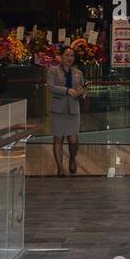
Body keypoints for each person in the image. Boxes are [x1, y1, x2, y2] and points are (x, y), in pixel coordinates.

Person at [46, 46, 87, 176]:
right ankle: (59, 167)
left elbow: (82, 89)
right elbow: (51, 87)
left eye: (72, 56)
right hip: (58, 109)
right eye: (67, 55)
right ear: (61, 56)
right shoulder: (53, 70)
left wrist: (82, 92)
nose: (70, 58)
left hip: (73, 109)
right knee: (58, 138)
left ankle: (72, 159)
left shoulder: (78, 73)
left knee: (73, 139)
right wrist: (67, 90)